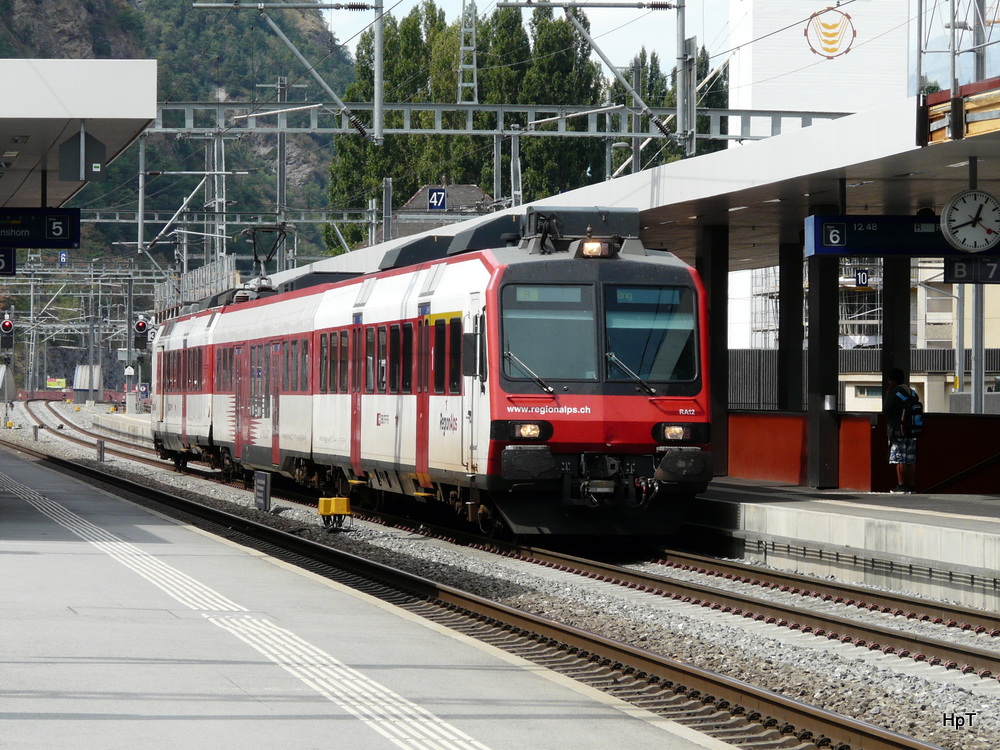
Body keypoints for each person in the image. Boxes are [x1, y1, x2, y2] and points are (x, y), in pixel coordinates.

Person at [882, 367, 917, 493]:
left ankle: (901, 485)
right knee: (911, 459)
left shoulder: (894, 393)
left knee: (900, 458)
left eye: (889, 380)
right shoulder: (912, 392)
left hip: (898, 430)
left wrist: (888, 395)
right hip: (912, 430)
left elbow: (885, 410)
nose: (888, 382)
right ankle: (912, 486)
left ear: (894, 380)